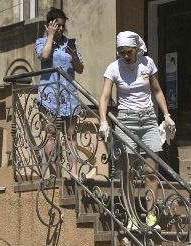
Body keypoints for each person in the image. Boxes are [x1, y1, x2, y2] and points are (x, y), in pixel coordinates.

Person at [97, 31, 174, 230]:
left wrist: (166, 115)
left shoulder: (147, 63)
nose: (126, 56)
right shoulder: (113, 68)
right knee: (128, 170)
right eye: (122, 52)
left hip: (148, 118)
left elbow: (157, 90)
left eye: (129, 52)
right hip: (126, 120)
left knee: (151, 169)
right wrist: (104, 121)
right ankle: (131, 216)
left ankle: (150, 215)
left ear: (136, 49)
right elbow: (104, 96)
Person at [34, 7, 83, 179]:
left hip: (68, 94)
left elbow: (80, 68)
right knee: (51, 135)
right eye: (57, 26)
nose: (61, 29)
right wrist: (50, 36)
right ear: (49, 25)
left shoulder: (70, 44)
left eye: (62, 26)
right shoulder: (41, 42)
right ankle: (57, 174)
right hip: (49, 96)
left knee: (71, 135)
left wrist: (75, 55)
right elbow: (45, 55)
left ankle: (74, 172)